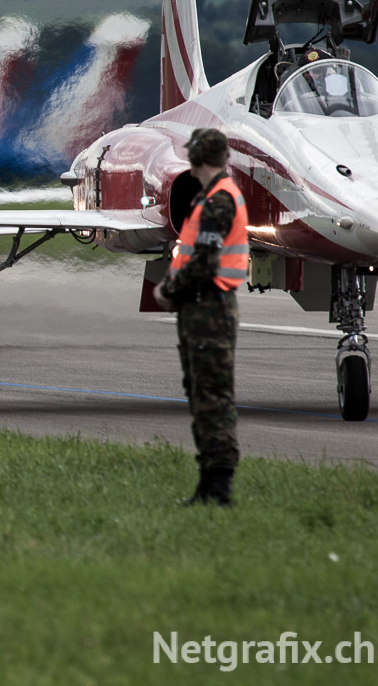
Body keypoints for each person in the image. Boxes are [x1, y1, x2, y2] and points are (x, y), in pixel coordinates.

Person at [160, 128, 249, 506]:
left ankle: (219, 485)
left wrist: (169, 290)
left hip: (209, 307)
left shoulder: (218, 201)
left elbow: (203, 260)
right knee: (200, 393)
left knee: (212, 396)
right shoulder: (211, 196)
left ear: (196, 157)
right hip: (200, 306)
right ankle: (208, 482)